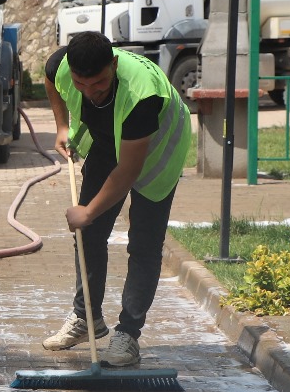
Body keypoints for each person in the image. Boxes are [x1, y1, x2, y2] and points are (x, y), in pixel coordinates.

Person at [42, 31, 192, 366]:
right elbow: (50, 77)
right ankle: (87, 319)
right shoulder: (63, 65)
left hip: (157, 149)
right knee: (89, 235)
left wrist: (88, 211)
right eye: (82, 85)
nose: (90, 93)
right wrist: (61, 126)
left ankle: (128, 334)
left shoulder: (141, 95)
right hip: (110, 141)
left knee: (143, 243)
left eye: (99, 84)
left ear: (113, 64)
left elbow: (126, 173)